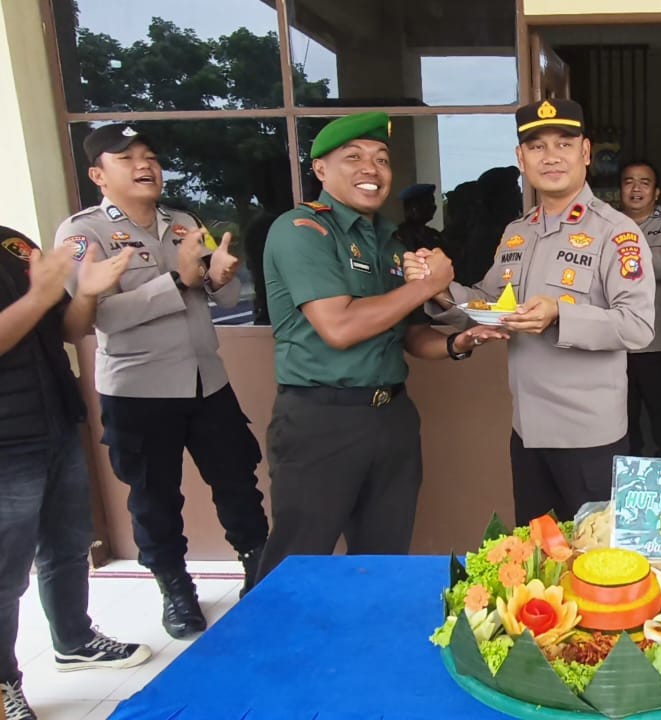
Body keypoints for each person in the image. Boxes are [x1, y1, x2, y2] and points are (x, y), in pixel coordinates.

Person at [256, 112, 505, 580]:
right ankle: (273, 630)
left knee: (383, 555)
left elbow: (407, 334)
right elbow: (339, 327)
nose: (371, 168)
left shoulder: (388, 242)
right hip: (322, 419)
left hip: (391, 416)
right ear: (321, 170)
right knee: (299, 557)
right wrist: (428, 284)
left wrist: (458, 342)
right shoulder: (302, 231)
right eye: (353, 157)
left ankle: (363, 629)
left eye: (382, 159)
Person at [55, 125, 268, 639]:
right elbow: (99, 317)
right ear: (98, 175)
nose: (144, 165)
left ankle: (258, 570)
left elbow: (222, 298)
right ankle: (175, 587)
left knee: (238, 479)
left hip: (206, 381)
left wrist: (222, 276)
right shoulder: (83, 235)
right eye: (127, 158)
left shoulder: (184, 223)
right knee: (155, 498)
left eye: (149, 156)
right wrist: (177, 280)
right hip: (138, 390)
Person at [414, 98, 655, 523]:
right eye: (537, 146)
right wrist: (436, 287)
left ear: (585, 152)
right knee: (534, 551)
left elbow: (637, 326)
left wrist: (560, 314)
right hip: (527, 431)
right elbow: (488, 303)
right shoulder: (517, 233)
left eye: (564, 143)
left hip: (589, 437)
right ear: (521, 158)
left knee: (594, 554)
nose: (551, 156)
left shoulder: (616, 232)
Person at [0, 228, 150, 720]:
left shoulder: (11, 243)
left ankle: (74, 640)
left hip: (55, 422)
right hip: (5, 442)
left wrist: (84, 294)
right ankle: (4, 683)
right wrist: (39, 295)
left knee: (67, 546)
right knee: (5, 575)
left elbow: (68, 328)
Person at [619, 160, 661, 457]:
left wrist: (628, 258)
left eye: (644, 182)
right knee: (622, 427)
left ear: (656, 192)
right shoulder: (606, 224)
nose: (636, 189)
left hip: (660, 345)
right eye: (629, 182)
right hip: (616, 346)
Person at [394, 183, 450, 255]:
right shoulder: (401, 235)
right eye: (428, 203)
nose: (434, 207)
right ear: (413, 208)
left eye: (433, 202)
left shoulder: (433, 234)